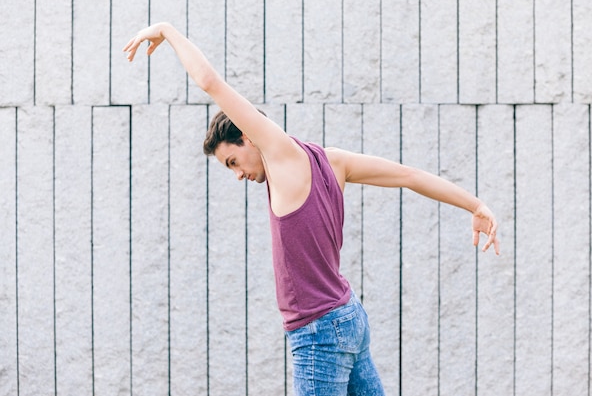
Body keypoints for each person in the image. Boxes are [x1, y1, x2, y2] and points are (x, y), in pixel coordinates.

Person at [123, 22, 500, 396]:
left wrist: (168, 31)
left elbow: (210, 83)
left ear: (250, 137)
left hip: (319, 333)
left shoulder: (283, 158)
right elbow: (409, 175)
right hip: (349, 316)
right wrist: (475, 204)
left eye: (233, 162)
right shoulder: (332, 161)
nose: (237, 175)